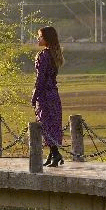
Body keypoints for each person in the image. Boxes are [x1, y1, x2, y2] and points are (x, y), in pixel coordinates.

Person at [31, 25, 64, 166]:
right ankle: (53, 155)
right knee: (53, 125)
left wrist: (34, 96)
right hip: (54, 95)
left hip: (44, 95)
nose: (38, 38)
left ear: (46, 39)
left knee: (45, 126)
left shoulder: (43, 56)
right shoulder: (54, 54)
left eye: (40, 36)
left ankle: (55, 154)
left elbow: (40, 79)